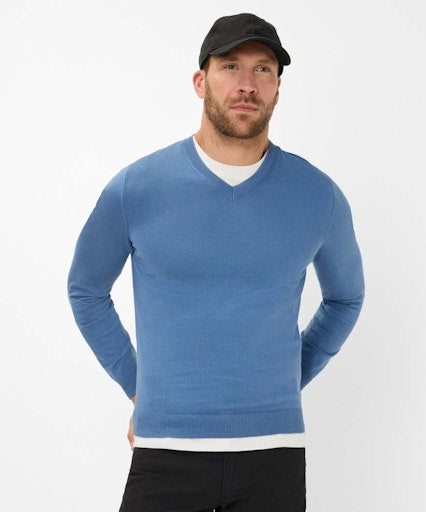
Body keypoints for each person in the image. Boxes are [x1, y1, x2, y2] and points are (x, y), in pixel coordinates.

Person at [67, 12, 365, 512]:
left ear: (277, 88)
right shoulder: (136, 188)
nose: (247, 84)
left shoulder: (319, 196)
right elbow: (86, 289)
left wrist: (290, 375)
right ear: (200, 81)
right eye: (230, 66)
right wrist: (139, 387)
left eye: (263, 69)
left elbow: (345, 298)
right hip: (165, 453)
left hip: (274, 456)